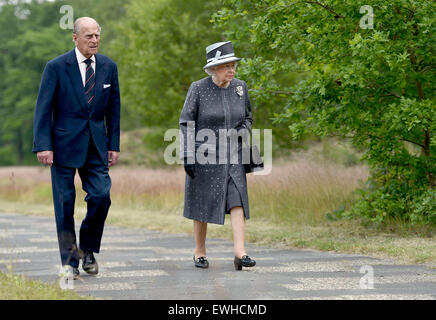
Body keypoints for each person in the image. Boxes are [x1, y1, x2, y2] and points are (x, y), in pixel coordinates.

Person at [32, 17, 120, 279]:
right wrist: (43, 145)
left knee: (102, 195)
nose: (94, 40)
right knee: (64, 203)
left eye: (97, 36)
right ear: (75, 38)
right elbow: (43, 108)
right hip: (61, 147)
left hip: (96, 145)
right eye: (88, 36)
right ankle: (70, 261)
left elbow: (114, 109)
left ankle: (88, 249)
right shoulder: (56, 67)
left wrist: (113, 144)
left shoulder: (108, 67)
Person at [179, 41, 258, 270]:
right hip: (204, 154)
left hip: (233, 154)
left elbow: (248, 117)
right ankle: (199, 252)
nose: (231, 71)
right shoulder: (198, 88)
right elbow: (186, 122)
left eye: (233, 65)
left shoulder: (240, 87)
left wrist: (242, 131)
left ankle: (240, 252)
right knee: (201, 203)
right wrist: (188, 155)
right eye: (226, 66)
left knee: (237, 200)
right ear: (213, 68)